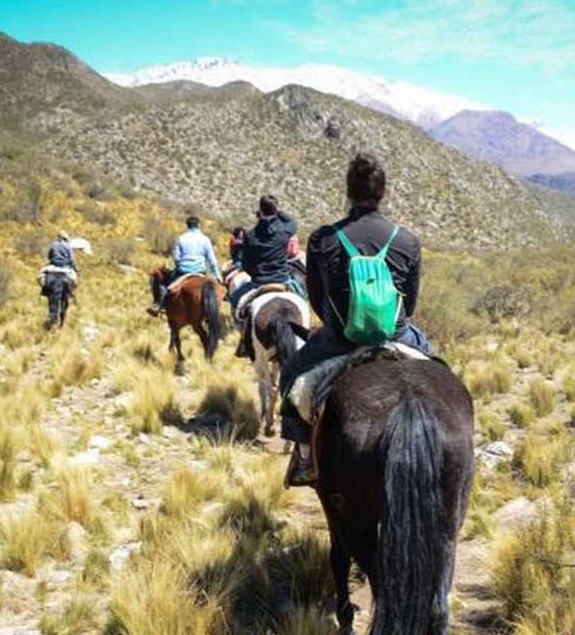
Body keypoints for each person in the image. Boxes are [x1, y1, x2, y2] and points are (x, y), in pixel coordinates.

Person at [279, 152, 431, 486]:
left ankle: (305, 458)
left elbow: (316, 299)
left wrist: (342, 323)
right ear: (383, 193)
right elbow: (412, 301)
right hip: (396, 335)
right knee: (439, 369)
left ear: (348, 192)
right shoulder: (406, 241)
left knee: (291, 375)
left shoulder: (323, 239)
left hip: (340, 338)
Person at [232, 195, 297, 357]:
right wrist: (277, 211)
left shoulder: (250, 235)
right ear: (275, 210)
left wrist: (256, 273)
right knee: (303, 298)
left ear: (260, 211)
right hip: (283, 280)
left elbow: (246, 265)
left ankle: (244, 339)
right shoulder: (285, 230)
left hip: (259, 283)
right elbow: (293, 222)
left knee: (234, 300)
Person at [148, 216, 221, 316]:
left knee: (165, 284)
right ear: (198, 225)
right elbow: (212, 259)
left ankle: (161, 305)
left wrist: (179, 264)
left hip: (183, 271)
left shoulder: (181, 238)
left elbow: (176, 257)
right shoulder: (205, 239)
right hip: (200, 271)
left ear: (187, 226)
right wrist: (216, 275)